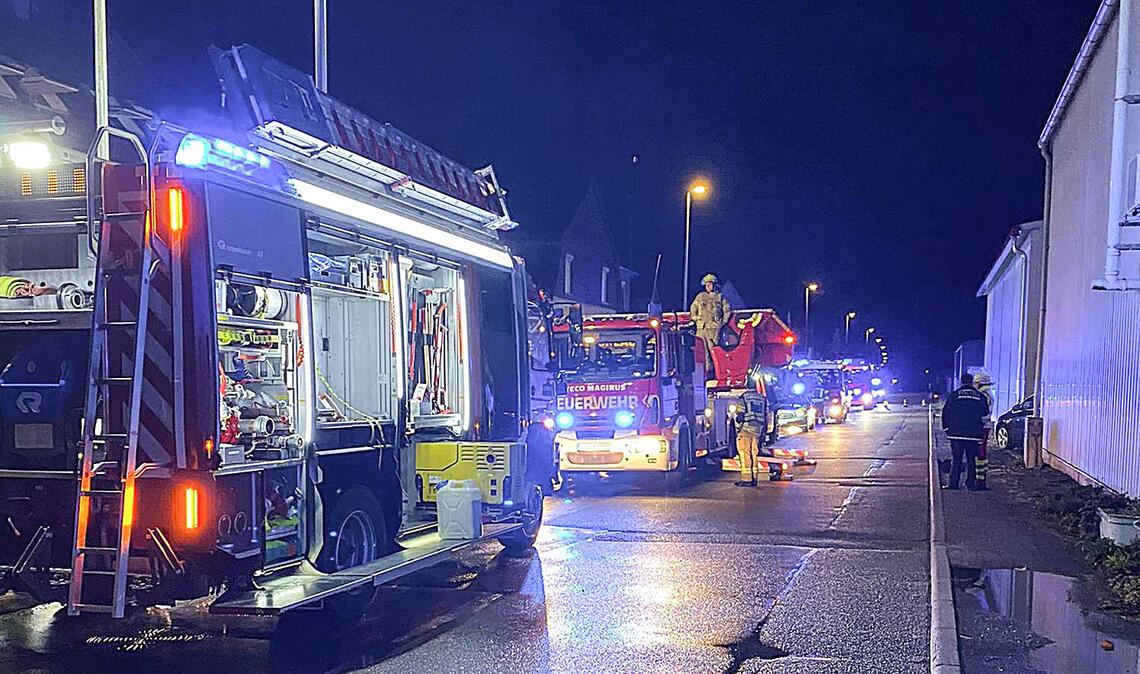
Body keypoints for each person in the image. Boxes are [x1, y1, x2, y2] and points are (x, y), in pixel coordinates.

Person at [941, 373, 991, 490]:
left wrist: (946, 428)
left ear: (961, 382)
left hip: (956, 433)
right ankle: (970, 484)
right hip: (973, 434)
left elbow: (946, 412)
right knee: (971, 460)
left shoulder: (954, 395)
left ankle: (953, 484)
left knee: (956, 459)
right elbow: (984, 412)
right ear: (972, 381)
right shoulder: (979, 396)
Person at [689, 273, 731, 375]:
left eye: (710, 284)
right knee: (702, 351)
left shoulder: (720, 297)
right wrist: (695, 318)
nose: (708, 286)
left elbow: (727, 310)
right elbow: (693, 308)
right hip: (701, 328)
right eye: (706, 284)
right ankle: (704, 373)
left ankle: (716, 372)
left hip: (714, 329)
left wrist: (722, 323)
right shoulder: (700, 296)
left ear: (715, 284)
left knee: (714, 350)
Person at [734, 390, 766, 487]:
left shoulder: (744, 397)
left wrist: (738, 426)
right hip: (757, 429)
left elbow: (740, 415)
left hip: (746, 429)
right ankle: (755, 478)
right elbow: (765, 414)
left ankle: (747, 479)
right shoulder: (761, 398)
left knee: (744, 453)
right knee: (754, 453)